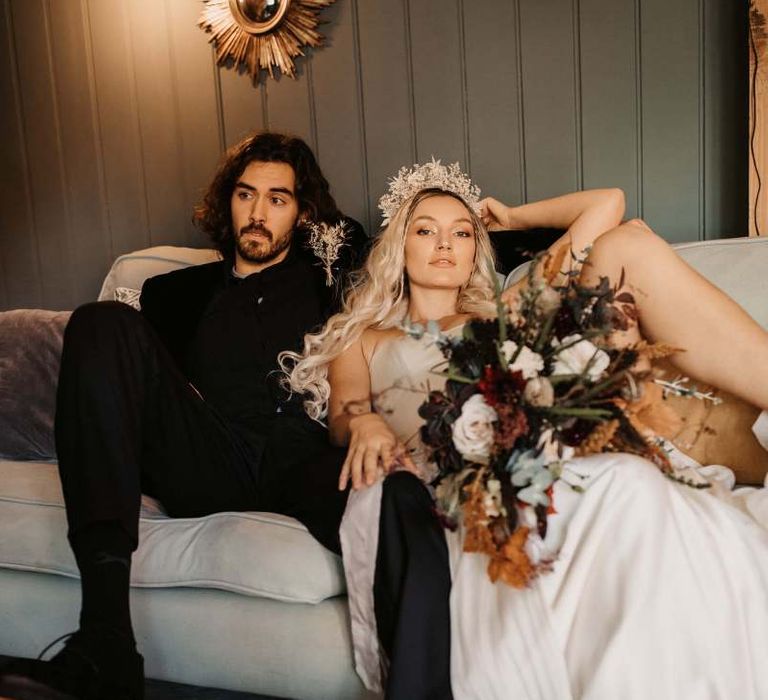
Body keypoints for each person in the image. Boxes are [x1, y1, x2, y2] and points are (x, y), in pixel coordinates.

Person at [283, 161, 768, 699]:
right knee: (620, 485)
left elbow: (607, 203)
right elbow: (346, 410)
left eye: (462, 232)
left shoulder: (503, 311)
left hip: (535, 454)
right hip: (460, 483)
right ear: (401, 245)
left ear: (475, 252)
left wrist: (511, 217)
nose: (445, 243)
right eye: (426, 230)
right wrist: (367, 421)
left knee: (626, 250)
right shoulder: (367, 338)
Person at [0, 131, 369, 700]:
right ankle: (105, 642)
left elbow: (404, 244)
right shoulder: (172, 292)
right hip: (206, 454)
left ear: (302, 213)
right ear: (228, 202)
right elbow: (138, 390)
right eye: (246, 194)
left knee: (387, 488)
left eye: (278, 198)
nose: (258, 212)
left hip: (296, 456)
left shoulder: (328, 274)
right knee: (99, 321)